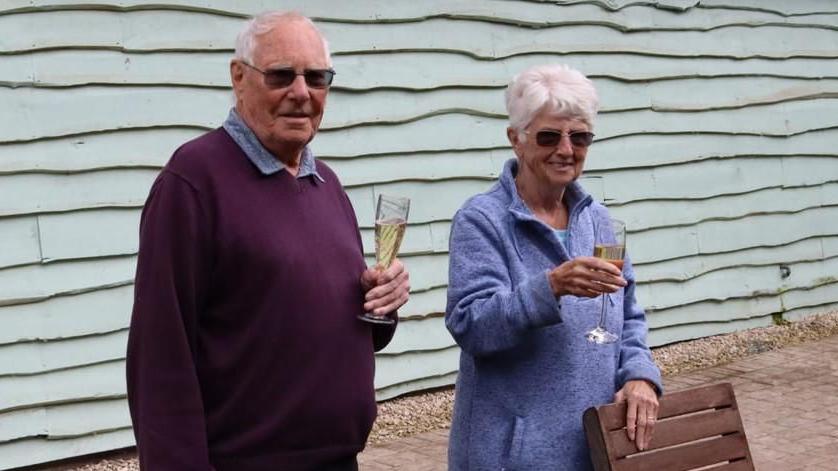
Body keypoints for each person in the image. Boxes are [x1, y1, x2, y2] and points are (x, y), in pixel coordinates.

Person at [125, 11, 410, 471]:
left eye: (317, 78)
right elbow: (160, 356)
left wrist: (383, 306)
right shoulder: (194, 182)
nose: (301, 93)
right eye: (281, 76)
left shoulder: (327, 185)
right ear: (239, 78)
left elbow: (318, 324)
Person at [445, 64, 662, 470]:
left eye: (579, 137)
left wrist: (640, 374)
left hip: (594, 448)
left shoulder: (596, 218)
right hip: (513, 456)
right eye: (549, 136)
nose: (566, 150)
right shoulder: (482, 220)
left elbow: (627, 314)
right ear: (516, 139)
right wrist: (550, 288)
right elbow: (472, 325)